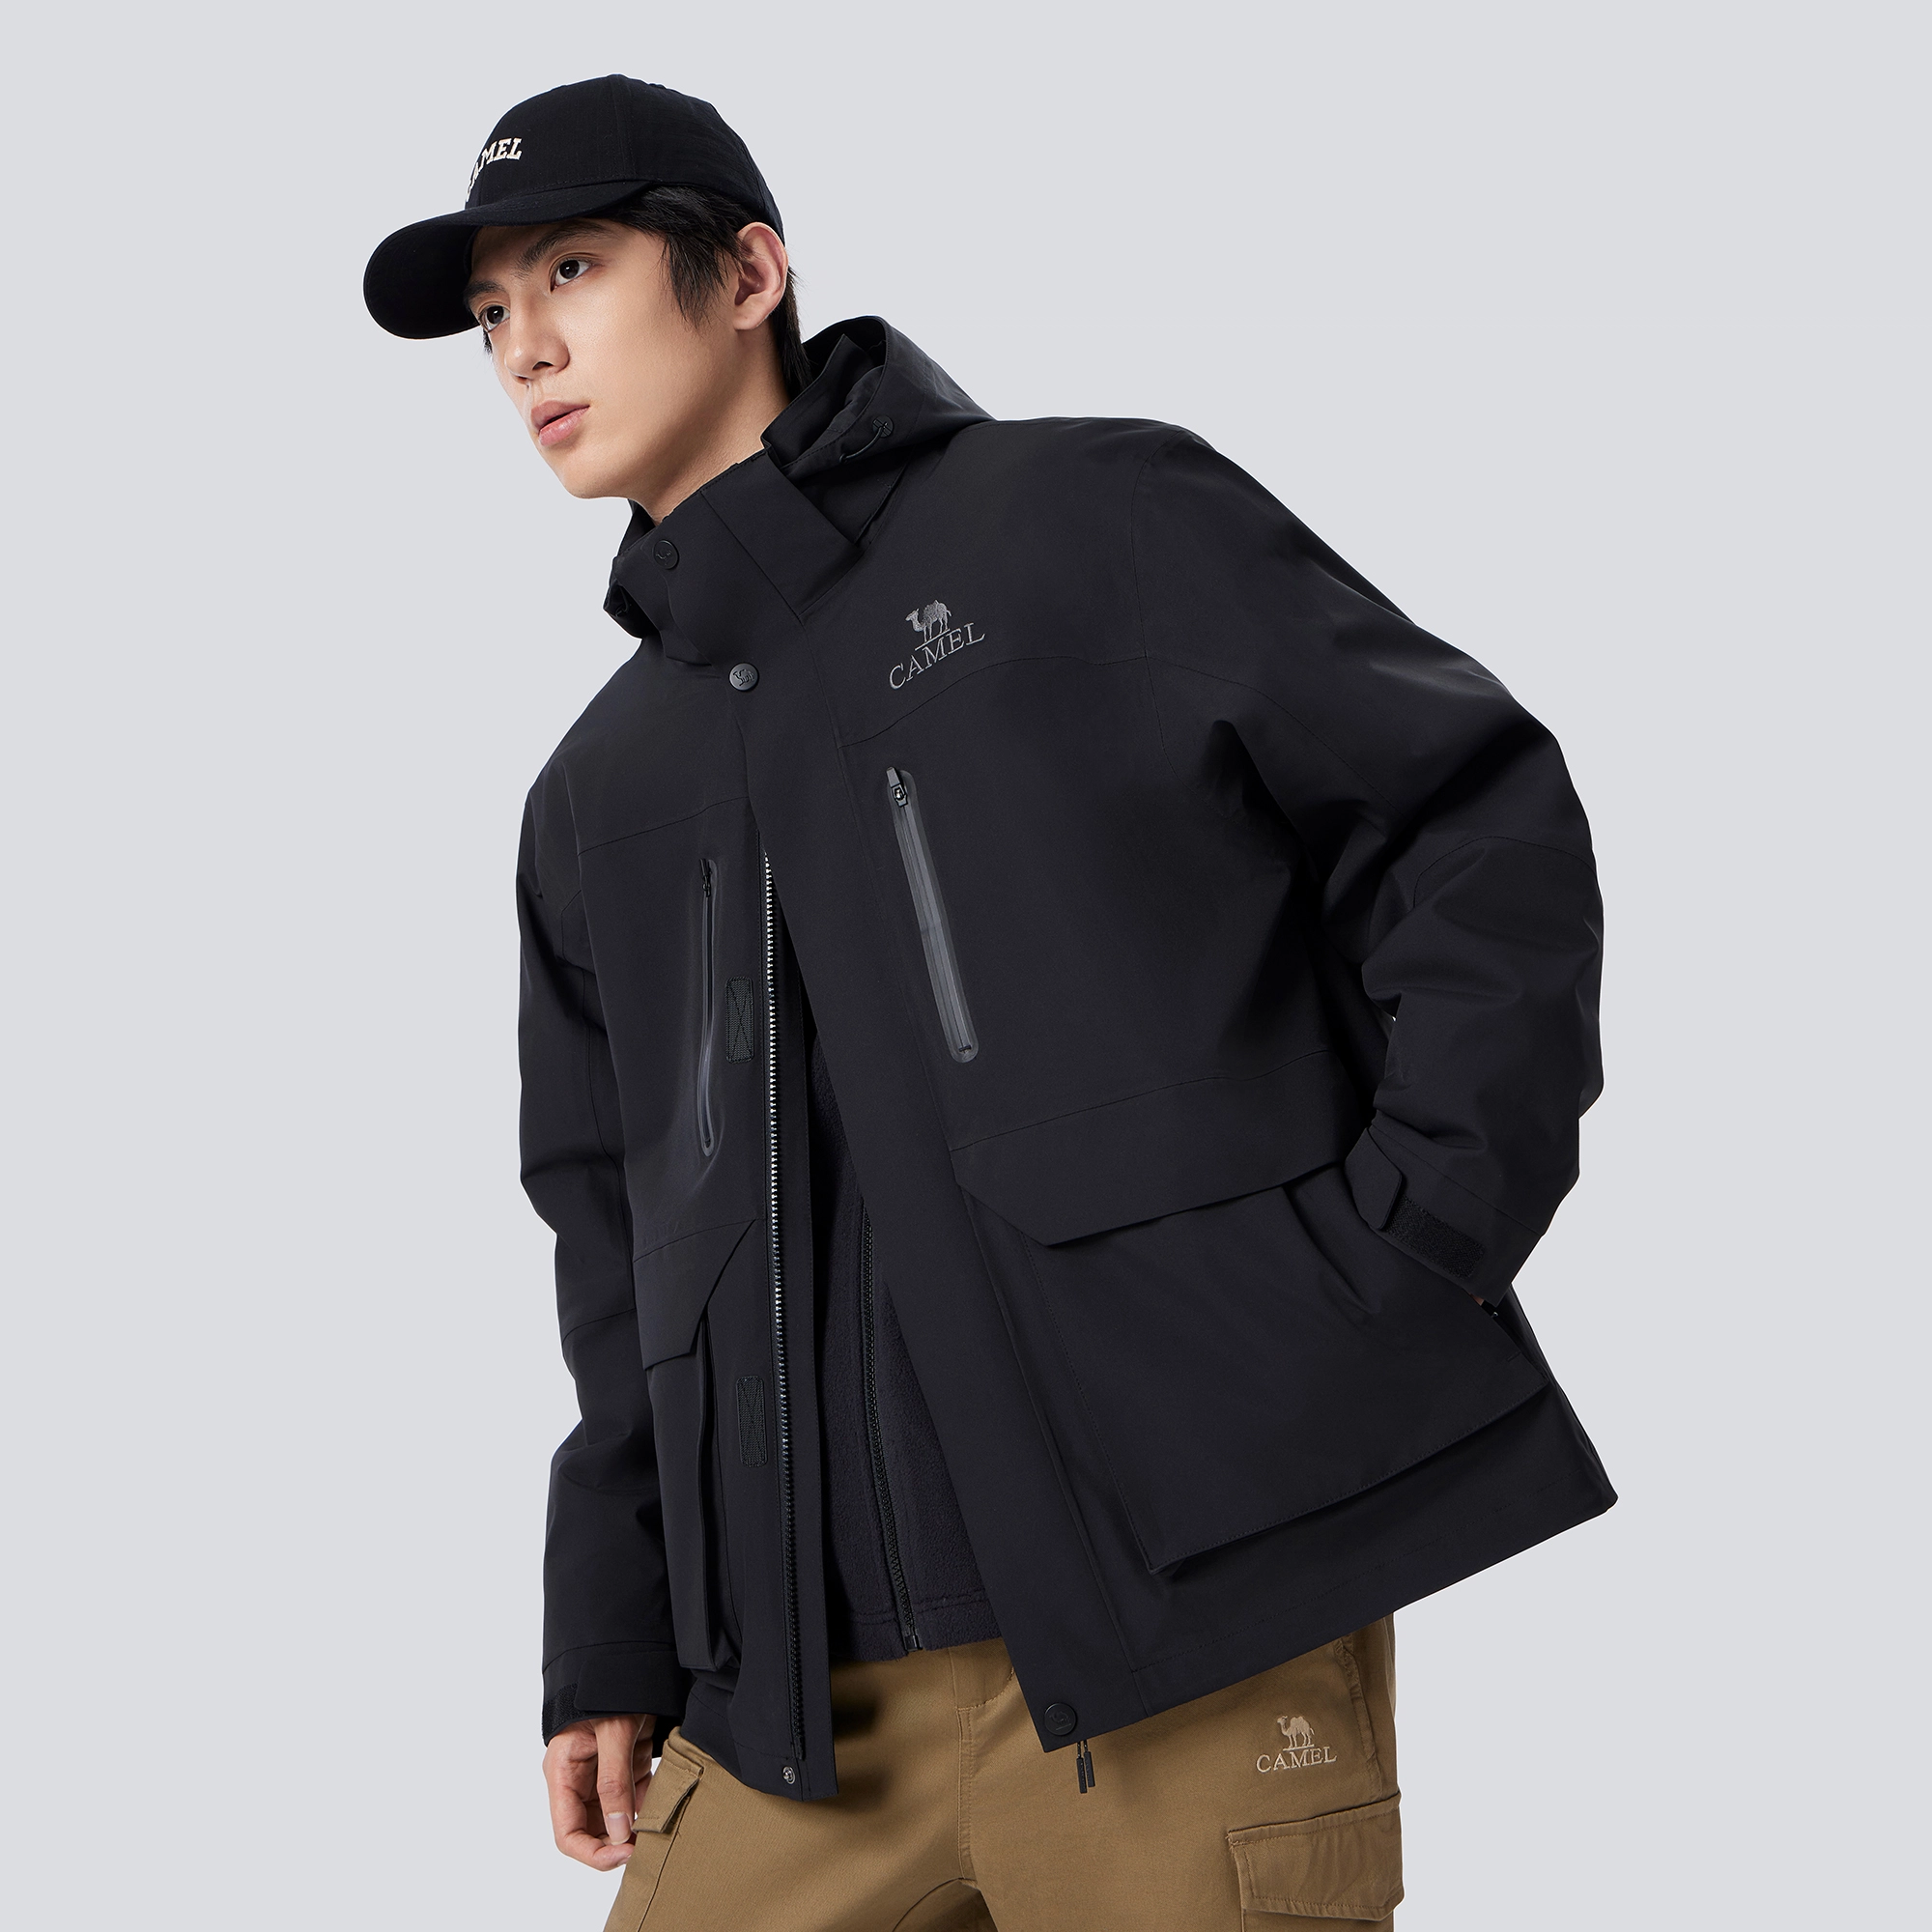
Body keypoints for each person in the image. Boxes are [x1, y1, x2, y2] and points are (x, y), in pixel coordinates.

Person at [364, 74, 1614, 1931]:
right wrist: (611, 1627)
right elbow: (615, 1253)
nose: (524, 348)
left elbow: (1469, 828)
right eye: (487, 316)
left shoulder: (1083, 521)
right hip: (789, 1716)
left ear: (747, 274)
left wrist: (1400, 1257)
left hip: (1188, 1623)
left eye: (571, 271)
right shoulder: (597, 792)